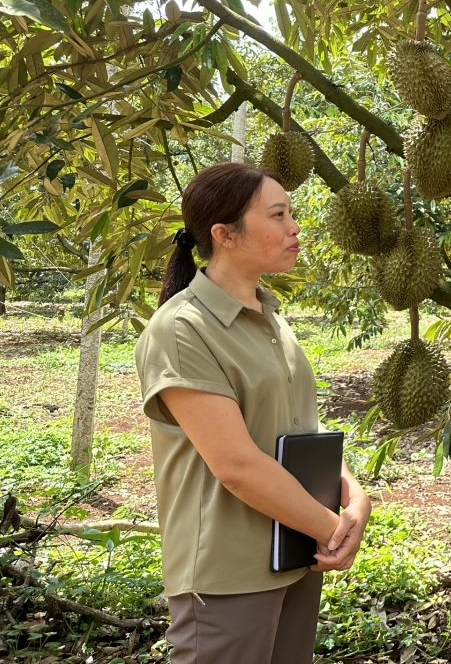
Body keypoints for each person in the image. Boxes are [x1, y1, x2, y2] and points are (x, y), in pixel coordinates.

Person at [136, 162, 371, 664]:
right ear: (224, 234)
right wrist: (332, 528)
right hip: (230, 570)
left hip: (295, 553)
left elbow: (299, 428)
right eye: (278, 214)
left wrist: (353, 495)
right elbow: (236, 466)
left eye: (292, 214)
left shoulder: (271, 318)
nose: (294, 228)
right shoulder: (182, 328)